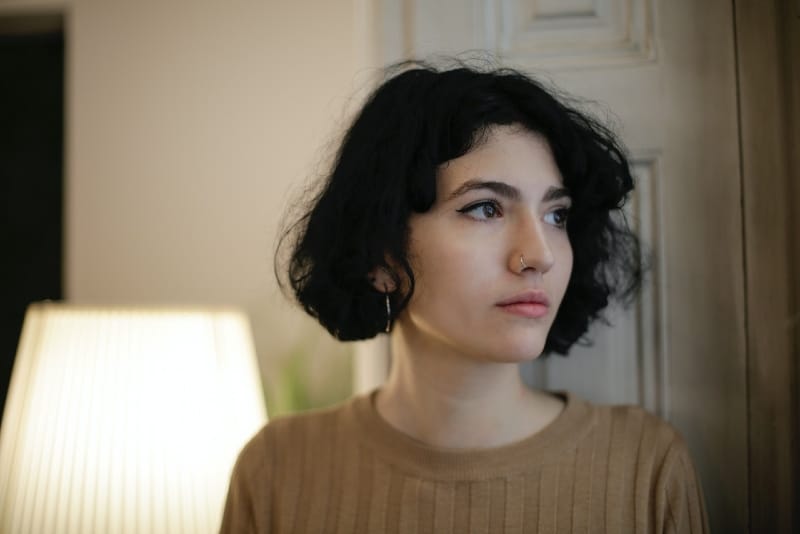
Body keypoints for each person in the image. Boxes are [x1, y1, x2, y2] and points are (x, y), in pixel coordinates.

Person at [220, 61, 709, 533]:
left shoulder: (645, 468)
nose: (539, 255)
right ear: (381, 258)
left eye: (556, 216)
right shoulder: (276, 472)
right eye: (485, 208)